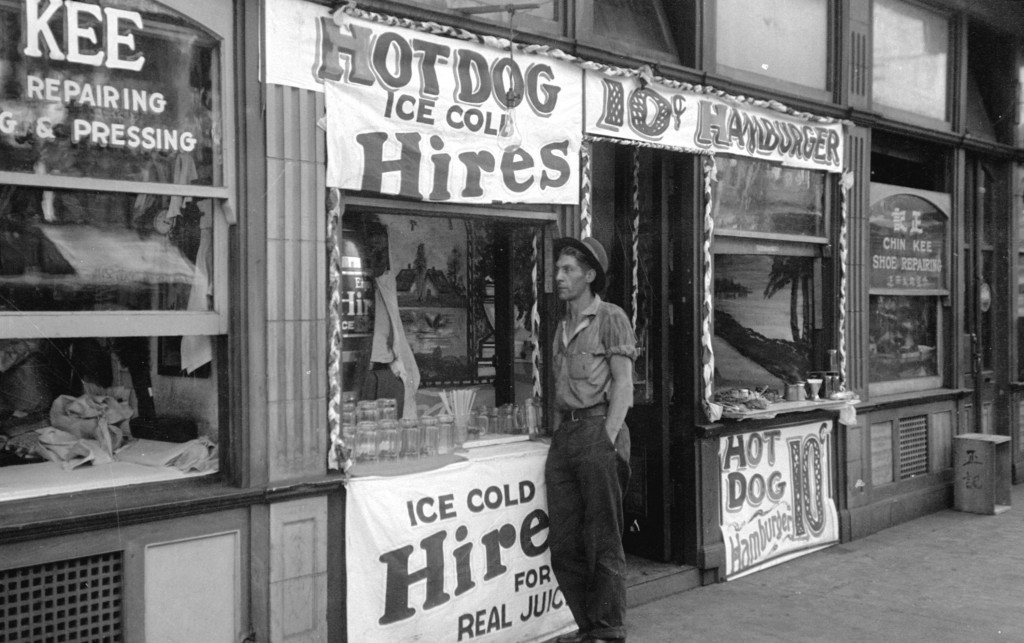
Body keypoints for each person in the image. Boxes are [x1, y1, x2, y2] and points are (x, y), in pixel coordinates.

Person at [546, 236, 635, 643]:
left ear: (589, 275)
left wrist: (607, 438)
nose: (559, 276)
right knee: (564, 545)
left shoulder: (611, 317)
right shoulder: (561, 325)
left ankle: (608, 631)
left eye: (568, 270)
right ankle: (588, 628)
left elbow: (624, 386)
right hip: (566, 435)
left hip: (597, 431)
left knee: (602, 540)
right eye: (558, 269)